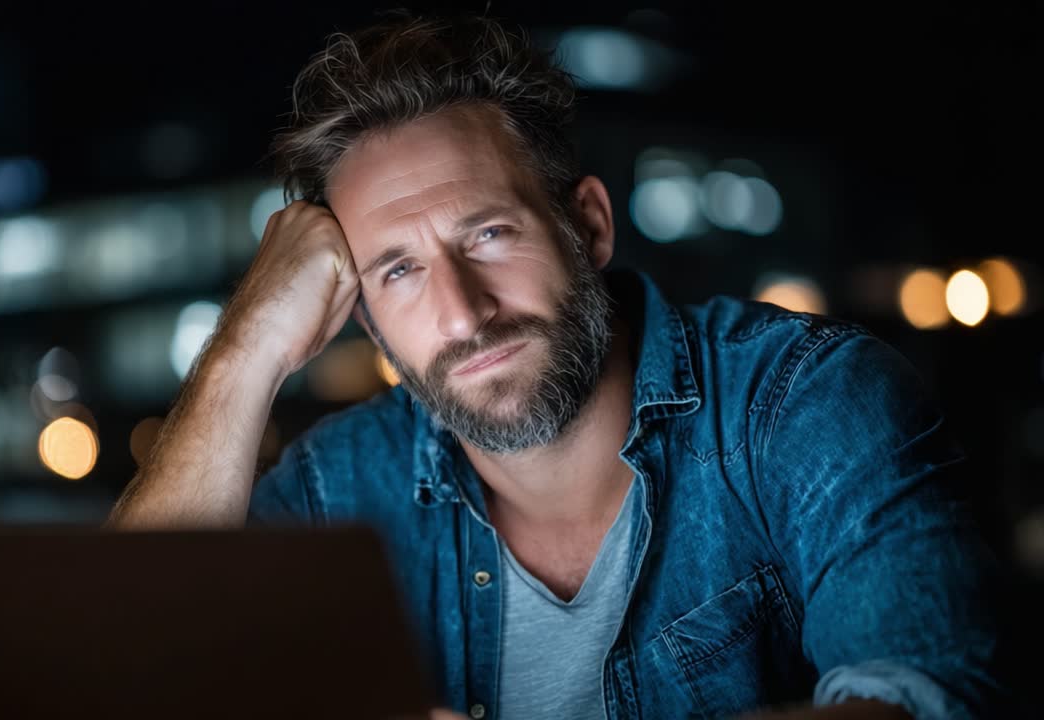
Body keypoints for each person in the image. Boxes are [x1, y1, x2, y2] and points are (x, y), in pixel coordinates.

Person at [108, 13, 1001, 719]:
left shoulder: (805, 404)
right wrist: (245, 346)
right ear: (367, 319)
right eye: (400, 271)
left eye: (489, 234)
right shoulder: (339, 486)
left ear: (588, 226)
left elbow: (929, 702)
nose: (462, 311)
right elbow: (114, 662)